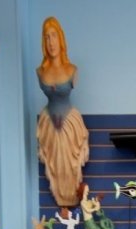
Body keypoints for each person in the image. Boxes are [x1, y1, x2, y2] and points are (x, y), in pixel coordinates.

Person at [37, 17, 89, 207]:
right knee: (55, 167)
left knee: (71, 166)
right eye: (47, 37)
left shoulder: (72, 70)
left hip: (69, 122)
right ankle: (62, 204)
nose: (51, 42)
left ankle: (71, 200)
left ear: (61, 39)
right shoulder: (40, 72)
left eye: (54, 36)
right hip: (49, 123)